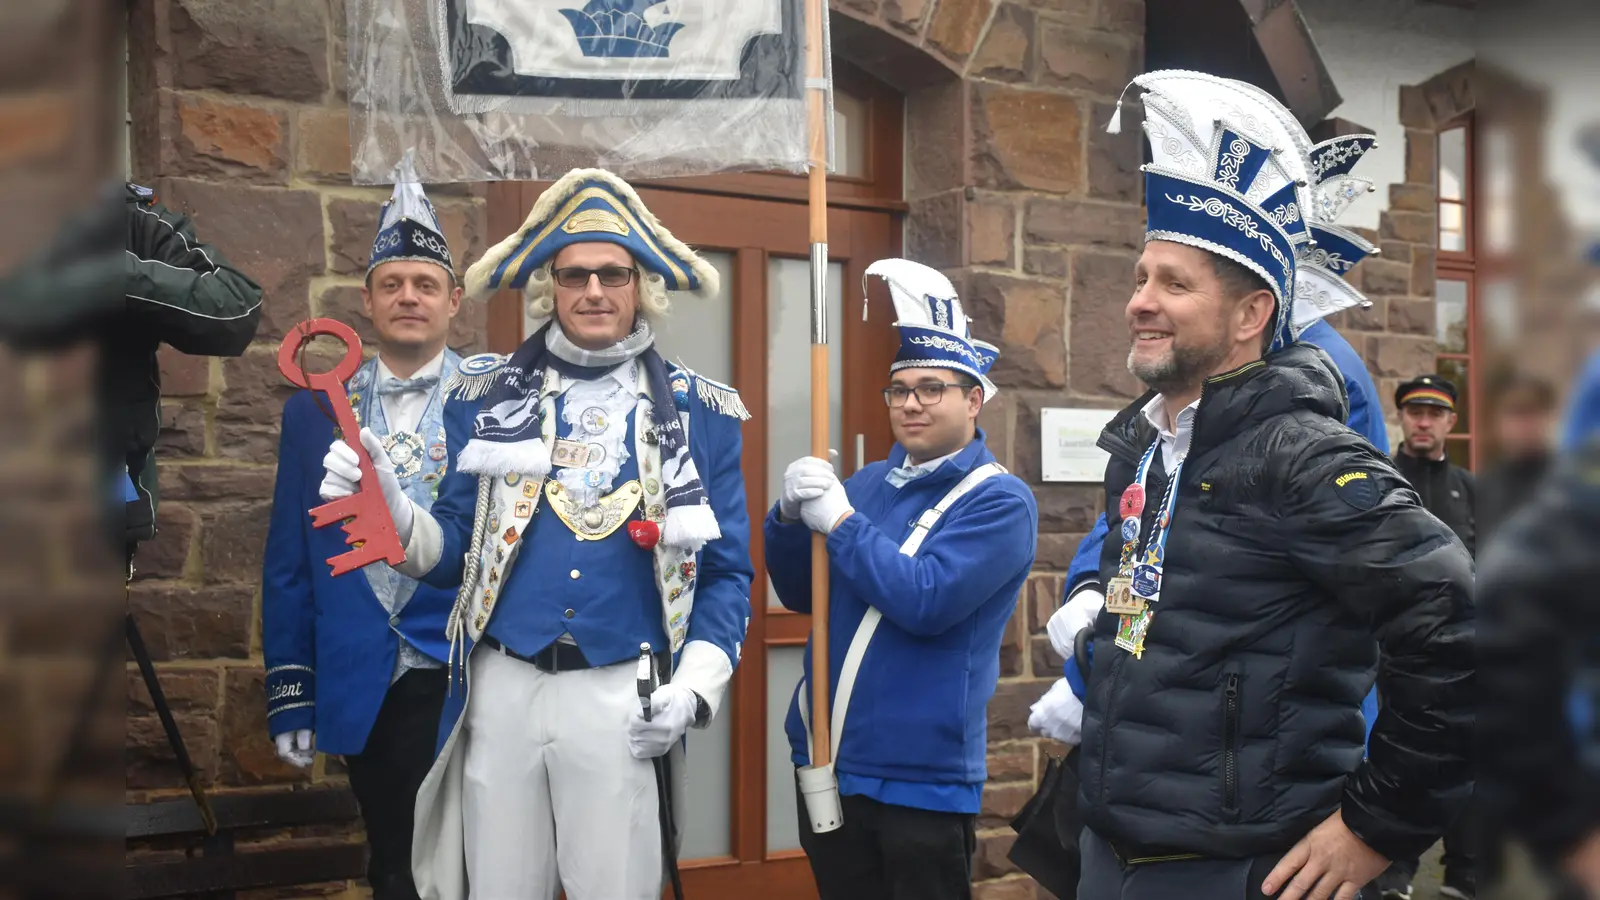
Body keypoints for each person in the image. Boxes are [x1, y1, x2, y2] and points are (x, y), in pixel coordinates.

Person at [1068, 71, 1475, 900]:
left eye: (1174, 284)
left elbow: (1464, 630)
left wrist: (1379, 826)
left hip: (1246, 872)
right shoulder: (1145, 451)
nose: (1140, 303)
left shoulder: (1303, 457)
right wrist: (1095, 643)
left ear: (1251, 315)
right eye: (1142, 277)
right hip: (1116, 857)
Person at [319, 169, 753, 900]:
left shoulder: (700, 411)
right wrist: (396, 518)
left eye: (612, 274)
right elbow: (457, 549)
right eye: (575, 274)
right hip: (504, 684)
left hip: (620, 690)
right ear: (551, 286)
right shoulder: (487, 398)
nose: (593, 291)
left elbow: (727, 573)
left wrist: (694, 689)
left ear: (640, 285)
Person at [766, 258, 1039, 900]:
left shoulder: (1000, 502)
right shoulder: (863, 485)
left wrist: (839, 524)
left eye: (931, 388)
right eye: (900, 390)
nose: (911, 403)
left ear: (974, 400)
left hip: (923, 777)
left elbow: (925, 599)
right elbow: (803, 594)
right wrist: (785, 519)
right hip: (830, 760)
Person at [261, 161, 460, 900]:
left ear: (453, 301)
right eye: (393, 284)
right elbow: (288, 561)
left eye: (426, 284)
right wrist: (292, 688)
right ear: (368, 302)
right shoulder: (311, 413)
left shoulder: (497, 400)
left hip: (465, 674)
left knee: (479, 866)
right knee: (395, 869)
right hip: (363, 676)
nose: (409, 296)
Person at [1478, 354, 1600, 899]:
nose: (1525, 426)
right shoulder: (1491, 491)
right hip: (1552, 719)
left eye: (1535, 415)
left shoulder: (1562, 474)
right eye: (1515, 415)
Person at [1390, 374, 1476, 555]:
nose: (1424, 424)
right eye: (1415, 413)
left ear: (1451, 422)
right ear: (1400, 417)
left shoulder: (1471, 488)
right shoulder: (1381, 480)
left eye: (1435, 414)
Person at [1477, 371, 1558, 540]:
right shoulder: (1482, 491)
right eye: (1516, 412)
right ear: (1496, 423)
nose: (1527, 423)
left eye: (1535, 412)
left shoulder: (1571, 484)